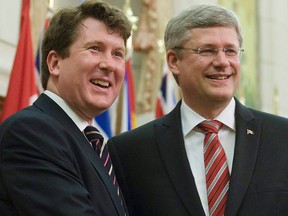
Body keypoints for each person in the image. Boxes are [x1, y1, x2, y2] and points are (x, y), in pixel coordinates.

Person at [108, 4, 288, 216]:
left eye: (230, 50)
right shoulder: (130, 151)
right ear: (174, 61)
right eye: (207, 50)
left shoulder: (281, 137)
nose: (222, 62)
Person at [0, 1, 131, 215]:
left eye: (117, 54)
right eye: (95, 49)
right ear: (55, 63)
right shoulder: (31, 132)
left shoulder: (97, 144)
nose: (109, 64)